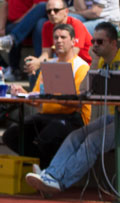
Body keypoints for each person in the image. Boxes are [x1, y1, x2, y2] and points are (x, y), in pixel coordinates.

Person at [24, 22, 120, 194]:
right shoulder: (102, 62)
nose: (95, 46)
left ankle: (61, 182)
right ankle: (51, 176)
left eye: (100, 42)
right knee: (75, 136)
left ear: (113, 43)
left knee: (92, 141)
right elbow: (84, 90)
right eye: (93, 42)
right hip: (115, 117)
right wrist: (95, 62)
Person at [5, 23, 90, 168]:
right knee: (11, 135)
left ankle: (46, 170)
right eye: (56, 37)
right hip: (47, 115)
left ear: (73, 41)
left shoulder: (81, 67)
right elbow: (37, 98)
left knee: (47, 136)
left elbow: (78, 103)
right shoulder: (49, 65)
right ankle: (40, 165)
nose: (59, 41)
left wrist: (56, 97)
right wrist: (24, 94)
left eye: (63, 37)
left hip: (73, 117)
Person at [20, 0, 92, 77]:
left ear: (66, 11)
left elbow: (72, 55)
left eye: (56, 10)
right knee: (34, 70)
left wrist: (41, 63)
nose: (52, 13)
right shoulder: (47, 26)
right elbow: (46, 54)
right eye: (48, 11)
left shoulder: (76, 25)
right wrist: (36, 62)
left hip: (83, 66)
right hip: (62, 62)